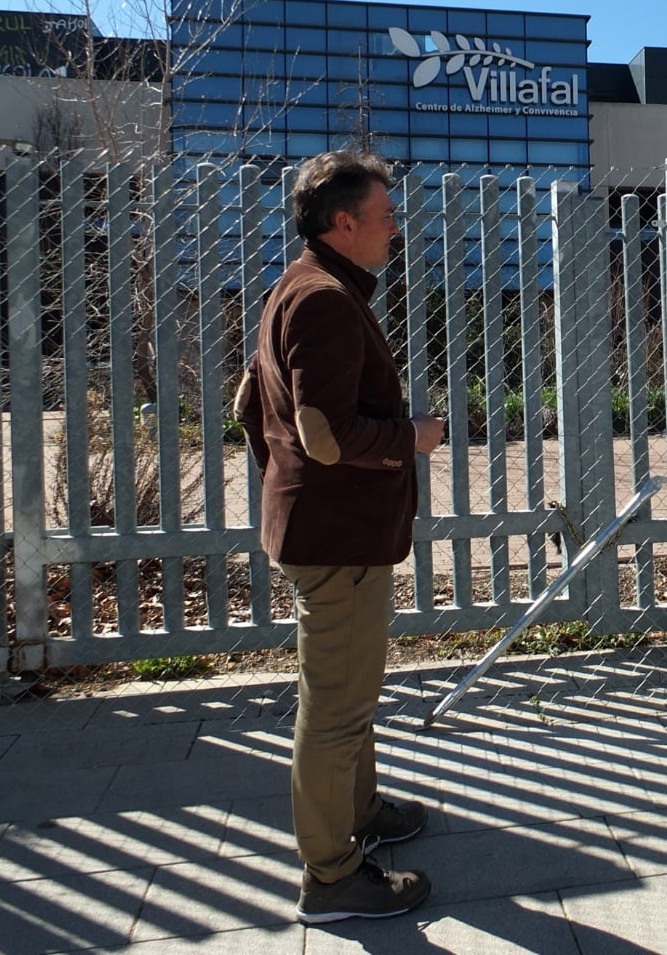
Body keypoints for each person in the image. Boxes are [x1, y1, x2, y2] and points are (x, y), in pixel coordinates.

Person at [234, 150, 446, 922]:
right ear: (343, 222)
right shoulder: (323, 298)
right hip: (340, 539)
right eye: (386, 215)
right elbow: (324, 433)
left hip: (326, 529)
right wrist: (410, 437)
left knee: (347, 695)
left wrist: (285, 477)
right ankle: (329, 879)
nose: (396, 226)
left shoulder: (298, 285)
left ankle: (360, 815)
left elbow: (248, 402)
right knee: (334, 710)